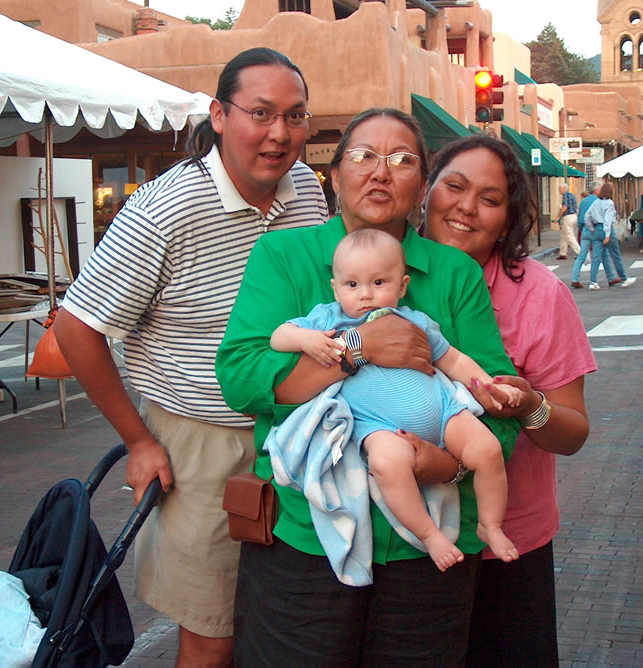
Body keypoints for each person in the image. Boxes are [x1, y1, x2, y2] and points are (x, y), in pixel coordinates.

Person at [52, 48, 328, 667]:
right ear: (220, 115)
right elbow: (76, 327)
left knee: (295, 617)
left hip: (300, 430)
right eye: (260, 113)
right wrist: (138, 440)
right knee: (212, 634)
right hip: (205, 445)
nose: (279, 133)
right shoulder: (164, 209)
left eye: (295, 116)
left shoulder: (308, 188)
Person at [216, 108, 520, 666]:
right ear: (334, 176)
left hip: (435, 547)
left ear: (422, 186)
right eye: (362, 157)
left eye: (402, 161)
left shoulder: (453, 274)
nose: (381, 173)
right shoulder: (284, 257)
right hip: (308, 531)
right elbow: (240, 377)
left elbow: (492, 397)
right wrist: (360, 352)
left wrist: (445, 463)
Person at [419, 133, 596, 665]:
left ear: (509, 218)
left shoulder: (539, 293)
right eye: (454, 186)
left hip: (506, 542)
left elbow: (574, 431)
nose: (466, 207)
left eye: (490, 199)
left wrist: (529, 405)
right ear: (426, 191)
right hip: (405, 537)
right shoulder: (383, 273)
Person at [271, 228, 523, 571]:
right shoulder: (329, 319)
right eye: (352, 285)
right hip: (380, 426)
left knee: (488, 449)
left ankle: (490, 524)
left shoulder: (414, 321)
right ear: (335, 287)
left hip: (444, 412)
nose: (365, 295)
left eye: (379, 283)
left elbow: (454, 360)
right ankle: (429, 533)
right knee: (389, 465)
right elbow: (278, 336)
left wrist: (489, 385)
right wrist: (307, 340)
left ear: (402, 286)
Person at [584, 182, 636, 289]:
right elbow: (607, 220)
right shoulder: (609, 203)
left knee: (596, 257)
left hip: (597, 229)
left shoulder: (596, 202)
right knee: (615, 255)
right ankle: (624, 278)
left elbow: (587, 216)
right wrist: (607, 235)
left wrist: (592, 228)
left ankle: (593, 282)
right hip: (606, 229)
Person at [571, 181, 618, 288]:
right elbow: (604, 218)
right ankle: (609, 277)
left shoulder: (583, 201)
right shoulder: (599, 201)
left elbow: (581, 217)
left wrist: (582, 228)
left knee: (581, 255)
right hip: (596, 228)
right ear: (597, 190)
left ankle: (575, 278)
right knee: (603, 254)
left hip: (585, 230)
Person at [553, 183, 580, 260]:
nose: (558, 190)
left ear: (564, 188)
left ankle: (580, 253)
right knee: (564, 235)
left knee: (569, 235)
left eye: (559, 188)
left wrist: (558, 217)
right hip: (573, 216)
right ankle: (563, 253)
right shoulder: (572, 195)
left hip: (568, 216)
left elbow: (565, 207)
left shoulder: (566, 195)